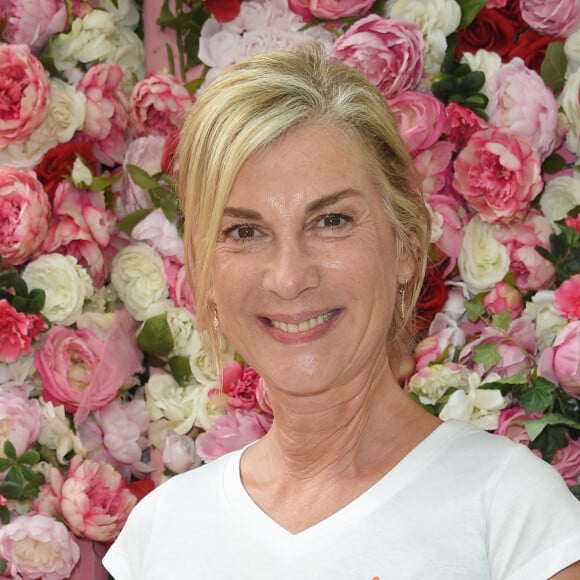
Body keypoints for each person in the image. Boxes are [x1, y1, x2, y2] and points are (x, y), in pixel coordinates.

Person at [103, 43, 580, 579]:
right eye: (244, 231)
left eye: (331, 220)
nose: (288, 277)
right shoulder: (161, 534)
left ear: (406, 247)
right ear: (205, 275)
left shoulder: (514, 516)